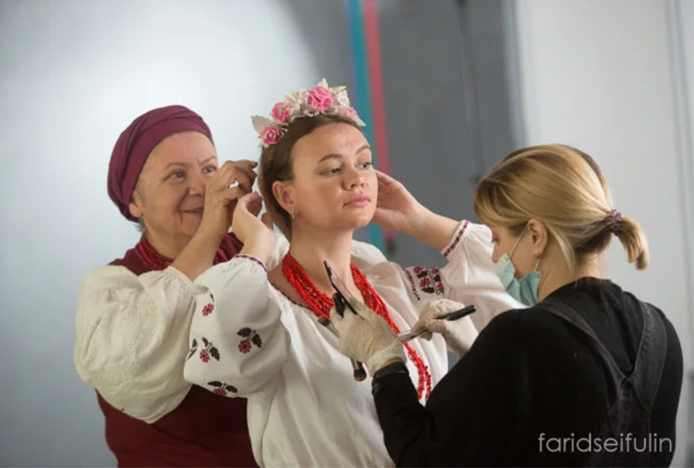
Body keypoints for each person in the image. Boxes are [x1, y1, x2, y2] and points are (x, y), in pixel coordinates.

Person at [182, 79, 523, 467]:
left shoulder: (397, 289)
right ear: (286, 195)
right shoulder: (266, 310)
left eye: (364, 163)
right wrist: (258, 243)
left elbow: (517, 291)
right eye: (331, 169)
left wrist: (421, 220)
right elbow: (221, 365)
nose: (356, 179)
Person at [331, 144, 684, 466]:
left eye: (497, 238)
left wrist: (386, 360)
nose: (495, 255)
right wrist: (483, 361)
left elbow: (423, 457)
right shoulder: (660, 332)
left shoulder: (522, 335)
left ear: (536, 236)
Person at [73, 105, 288, 466]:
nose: (202, 188)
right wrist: (212, 230)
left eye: (209, 169)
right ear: (135, 201)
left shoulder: (259, 248)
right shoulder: (112, 286)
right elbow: (129, 378)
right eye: (176, 175)